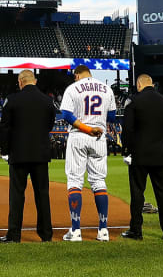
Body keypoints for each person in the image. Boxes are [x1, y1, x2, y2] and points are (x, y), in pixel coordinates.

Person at [59, 65, 117, 242]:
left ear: (77, 75)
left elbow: (66, 115)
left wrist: (86, 127)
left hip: (79, 136)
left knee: (75, 180)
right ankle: (103, 230)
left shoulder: (73, 88)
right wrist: (95, 125)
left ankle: (76, 231)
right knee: (99, 181)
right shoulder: (106, 89)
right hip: (98, 138)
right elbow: (112, 117)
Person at [0, 70, 57, 243]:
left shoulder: (13, 100)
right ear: (35, 81)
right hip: (40, 153)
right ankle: (46, 234)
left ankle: (14, 234)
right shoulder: (48, 101)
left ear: (20, 82)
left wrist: (4, 150)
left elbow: (5, 127)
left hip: (19, 154)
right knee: (42, 195)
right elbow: (49, 125)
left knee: (17, 195)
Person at [120, 74, 163, 241]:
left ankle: (136, 231)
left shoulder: (133, 102)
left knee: (137, 193)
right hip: (160, 154)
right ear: (152, 83)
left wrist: (126, 150)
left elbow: (128, 130)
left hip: (139, 155)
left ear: (139, 84)